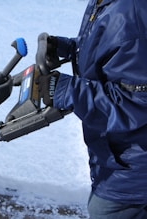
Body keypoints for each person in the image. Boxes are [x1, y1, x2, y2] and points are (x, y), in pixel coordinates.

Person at [37, 0, 147, 218]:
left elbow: (137, 102)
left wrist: (68, 90)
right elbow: (109, 46)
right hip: (114, 153)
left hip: (133, 161)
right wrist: (66, 47)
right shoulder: (108, 4)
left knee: (103, 210)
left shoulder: (133, 14)